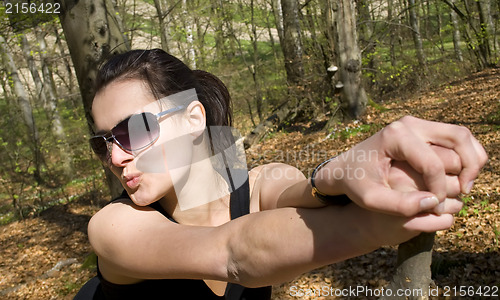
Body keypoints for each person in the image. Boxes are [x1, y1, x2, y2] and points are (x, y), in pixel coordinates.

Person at [74, 49, 487, 300]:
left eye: (134, 129)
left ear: (193, 118)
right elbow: (232, 254)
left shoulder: (260, 184)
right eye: (103, 143)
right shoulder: (114, 227)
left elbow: (301, 191)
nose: (116, 156)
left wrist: (368, 176)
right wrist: (382, 222)